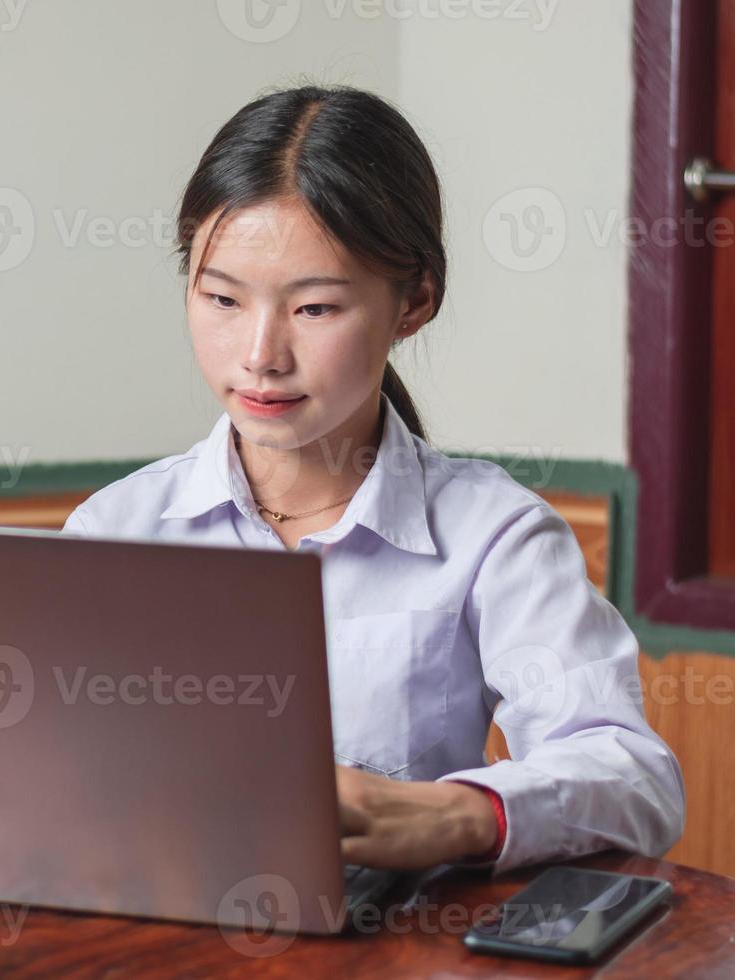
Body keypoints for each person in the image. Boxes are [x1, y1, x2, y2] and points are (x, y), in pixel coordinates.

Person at [58, 83, 685, 873]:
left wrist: (460, 814)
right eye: (220, 298)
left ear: (414, 300)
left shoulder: (492, 534)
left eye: (314, 309)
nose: (260, 354)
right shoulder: (115, 531)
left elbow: (634, 775)